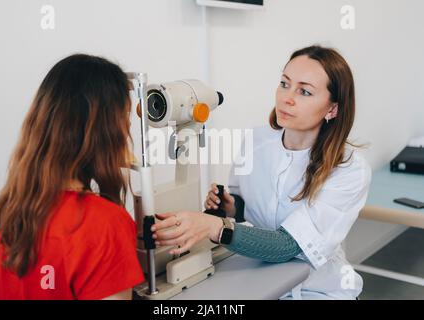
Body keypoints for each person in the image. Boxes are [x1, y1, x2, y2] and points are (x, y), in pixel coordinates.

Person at [151, 45, 372, 300]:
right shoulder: (256, 140)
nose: (286, 98)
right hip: (262, 277)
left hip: (319, 290)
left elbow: (289, 245)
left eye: (305, 91)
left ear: (332, 109)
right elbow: (258, 207)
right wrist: (231, 207)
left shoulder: (349, 169)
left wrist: (214, 227)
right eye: (284, 84)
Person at [0, 54, 144, 300]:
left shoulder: (11, 210)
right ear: (106, 131)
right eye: (124, 118)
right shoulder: (105, 224)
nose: (128, 130)